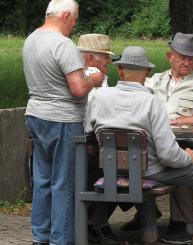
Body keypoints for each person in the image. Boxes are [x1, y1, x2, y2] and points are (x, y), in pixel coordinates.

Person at [88, 46, 193, 245]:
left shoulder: (99, 97)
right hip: (150, 170)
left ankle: (158, 225)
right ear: (148, 73)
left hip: (111, 169)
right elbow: (168, 155)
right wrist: (188, 157)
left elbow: (89, 131)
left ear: (120, 71)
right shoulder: (152, 102)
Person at [123, 32, 193, 244]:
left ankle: (183, 223)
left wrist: (188, 120)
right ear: (170, 56)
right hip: (153, 142)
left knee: (179, 159)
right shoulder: (154, 80)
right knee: (133, 156)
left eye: (191, 58)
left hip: (187, 141)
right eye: (182, 56)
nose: (187, 62)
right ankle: (146, 217)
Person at [22, 1, 104, 245]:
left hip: (36, 115)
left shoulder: (31, 40)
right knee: (64, 184)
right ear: (66, 15)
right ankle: (60, 240)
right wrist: (95, 78)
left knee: (43, 181)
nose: (75, 24)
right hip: (63, 120)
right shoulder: (63, 44)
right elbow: (78, 89)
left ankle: (41, 237)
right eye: (75, 19)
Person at [78, 33, 120, 245]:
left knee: (119, 164)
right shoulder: (93, 76)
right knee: (120, 169)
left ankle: (96, 223)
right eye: (105, 57)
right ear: (91, 58)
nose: (109, 62)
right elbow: (99, 115)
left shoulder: (84, 74)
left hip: (87, 140)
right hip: (87, 142)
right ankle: (94, 224)